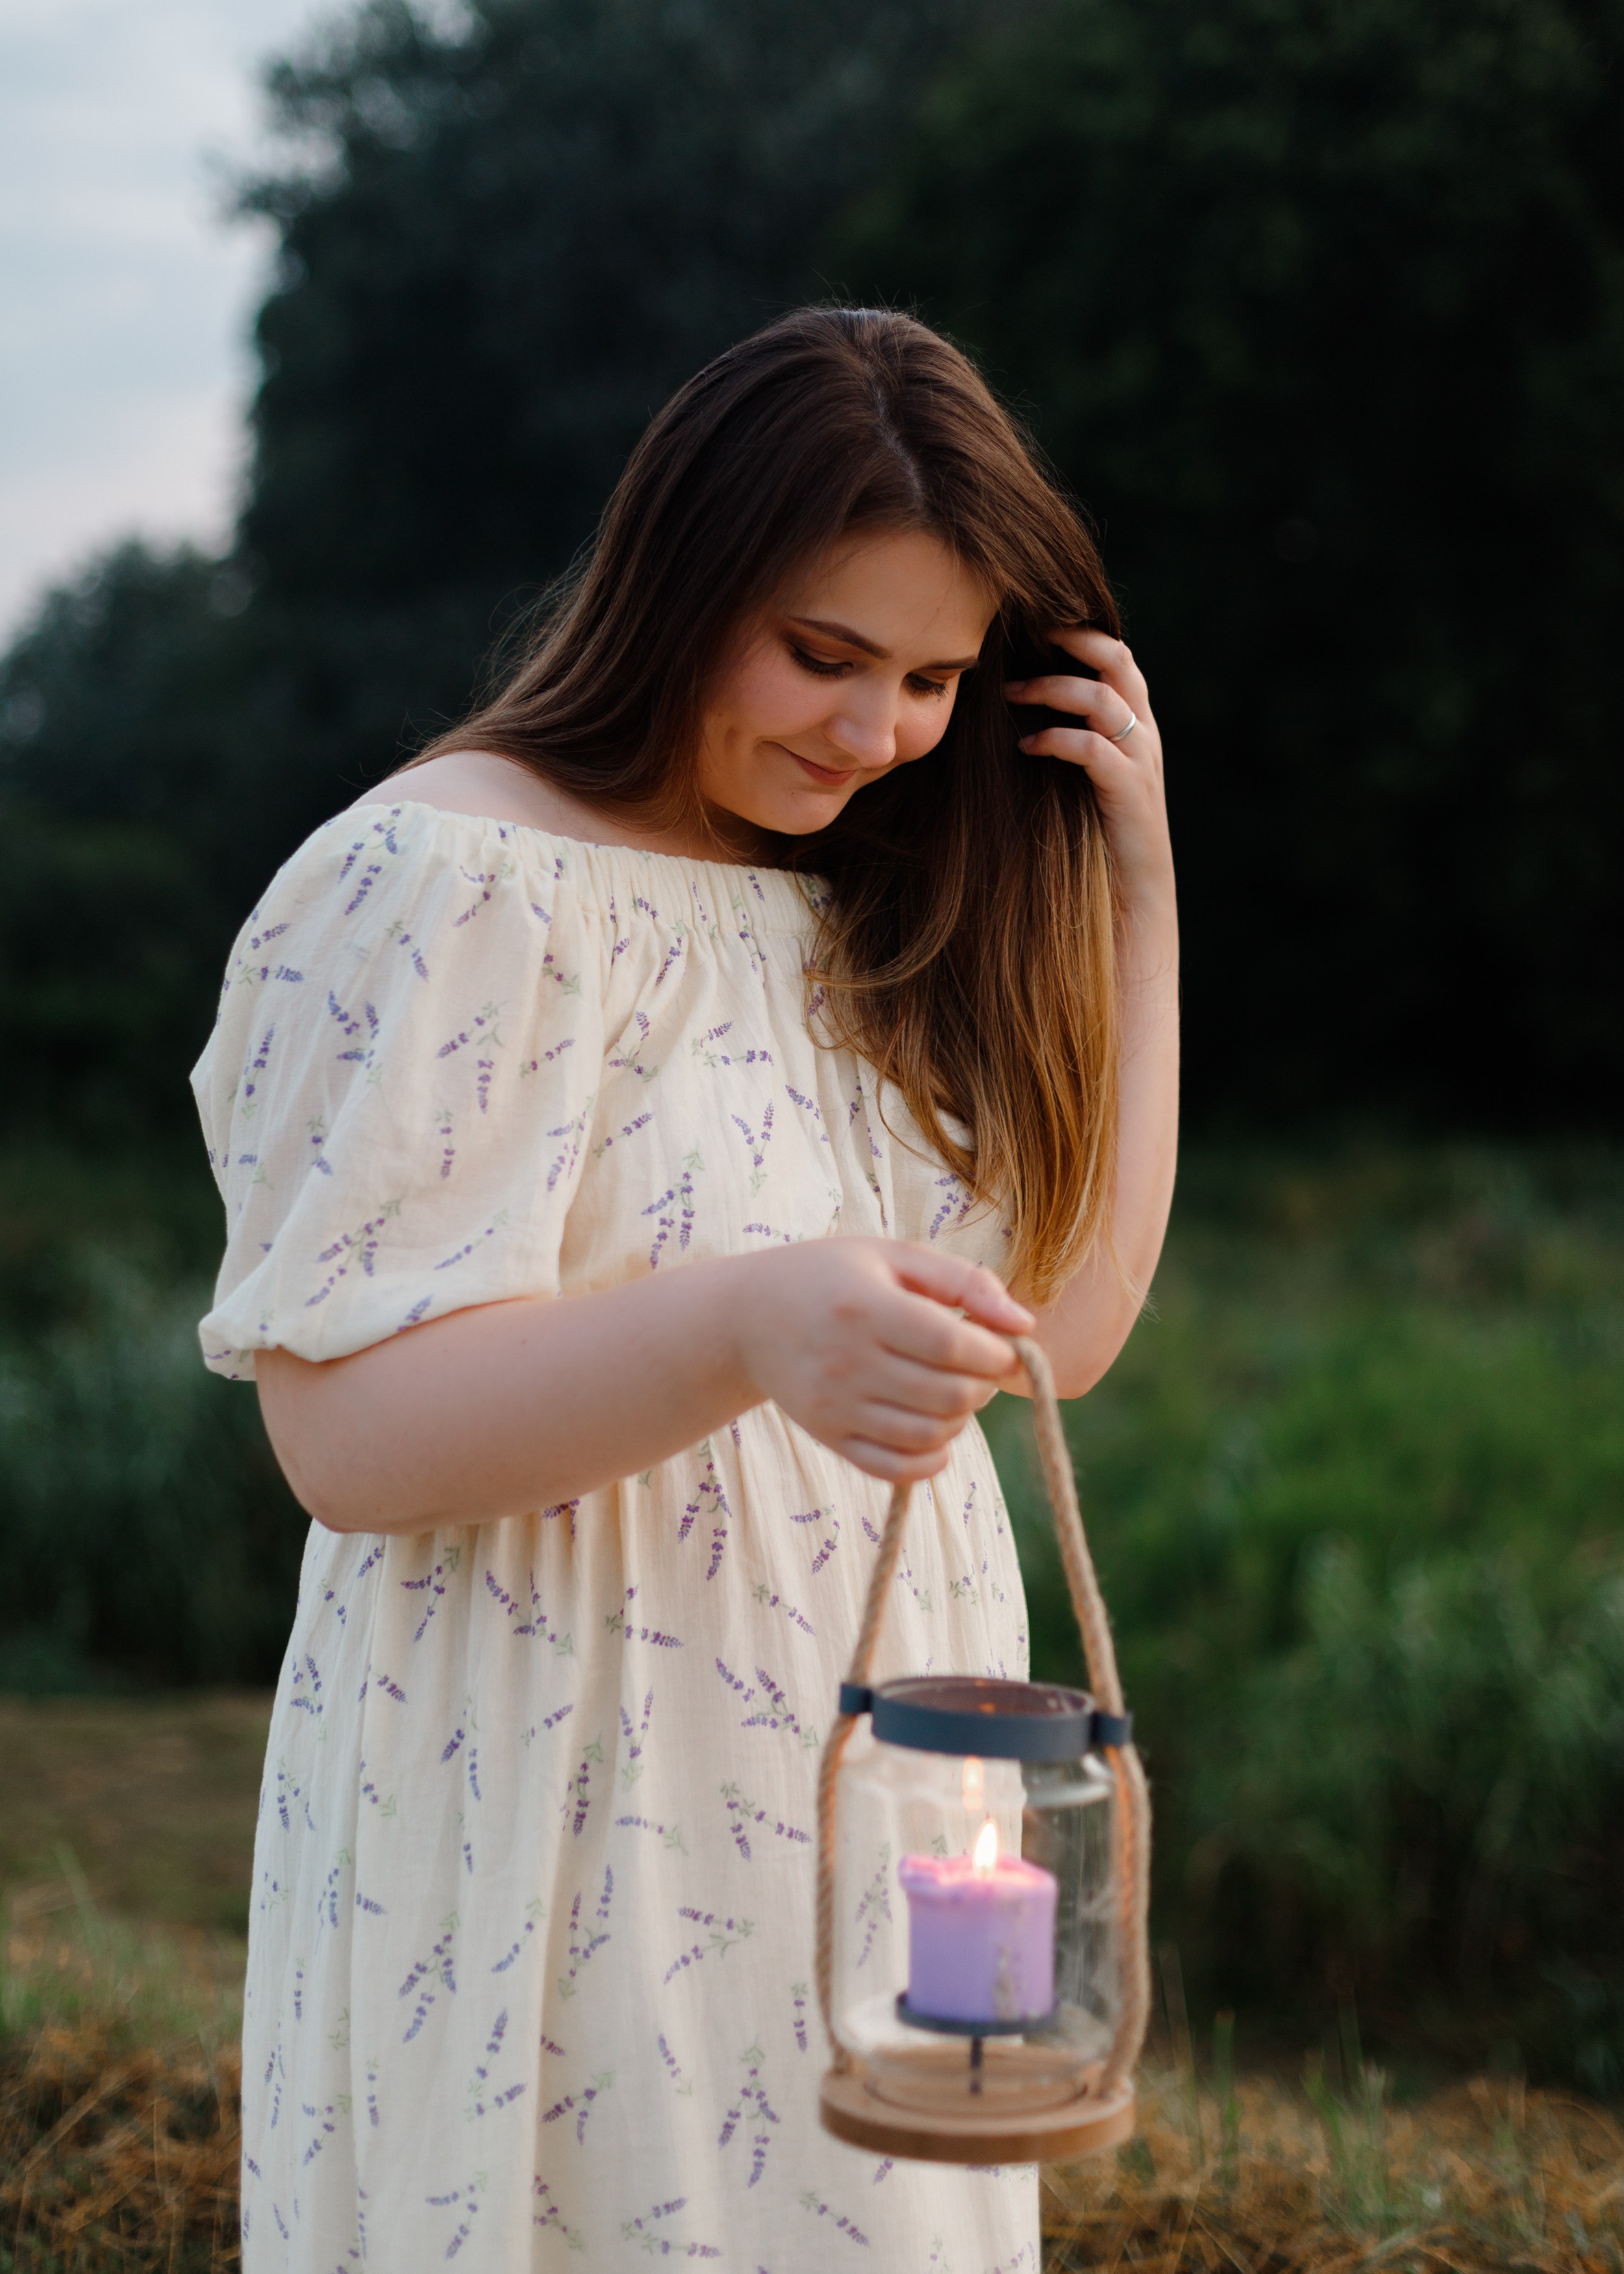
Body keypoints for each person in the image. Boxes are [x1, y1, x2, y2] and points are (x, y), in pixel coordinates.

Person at [194, 305, 1178, 2272]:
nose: (873, 733)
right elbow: (345, 1442)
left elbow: (1056, 1339)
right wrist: (745, 1326)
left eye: (931, 679)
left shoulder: (876, 903)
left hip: (856, 1798)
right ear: (681, 581)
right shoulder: (446, 878)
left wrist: (1131, 893)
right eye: (822, 654)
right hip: (565, 1771)